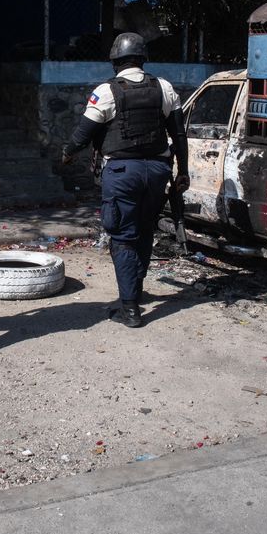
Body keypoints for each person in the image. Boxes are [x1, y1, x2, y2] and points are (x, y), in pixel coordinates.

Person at [61, 33, 189, 327]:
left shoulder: (106, 91)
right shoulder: (164, 88)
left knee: (122, 237)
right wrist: (182, 172)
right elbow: (179, 135)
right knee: (144, 230)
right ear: (143, 59)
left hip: (122, 174)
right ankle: (137, 288)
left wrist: (67, 153)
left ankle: (129, 309)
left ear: (115, 61)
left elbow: (83, 133)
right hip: (158, 171)